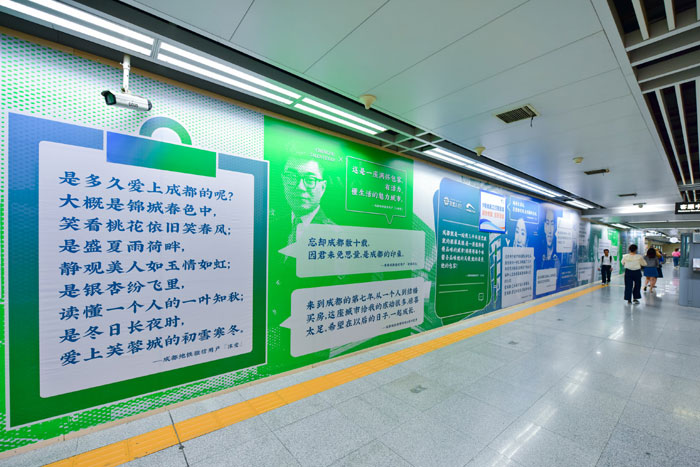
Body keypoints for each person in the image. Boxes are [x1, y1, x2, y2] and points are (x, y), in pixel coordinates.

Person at [281, 157, 334, 245]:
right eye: (292, 177)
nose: (300, 187)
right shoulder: (271, 226)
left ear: (323, 187)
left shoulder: (335, 232)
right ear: (283, 181)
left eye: (310, 180)